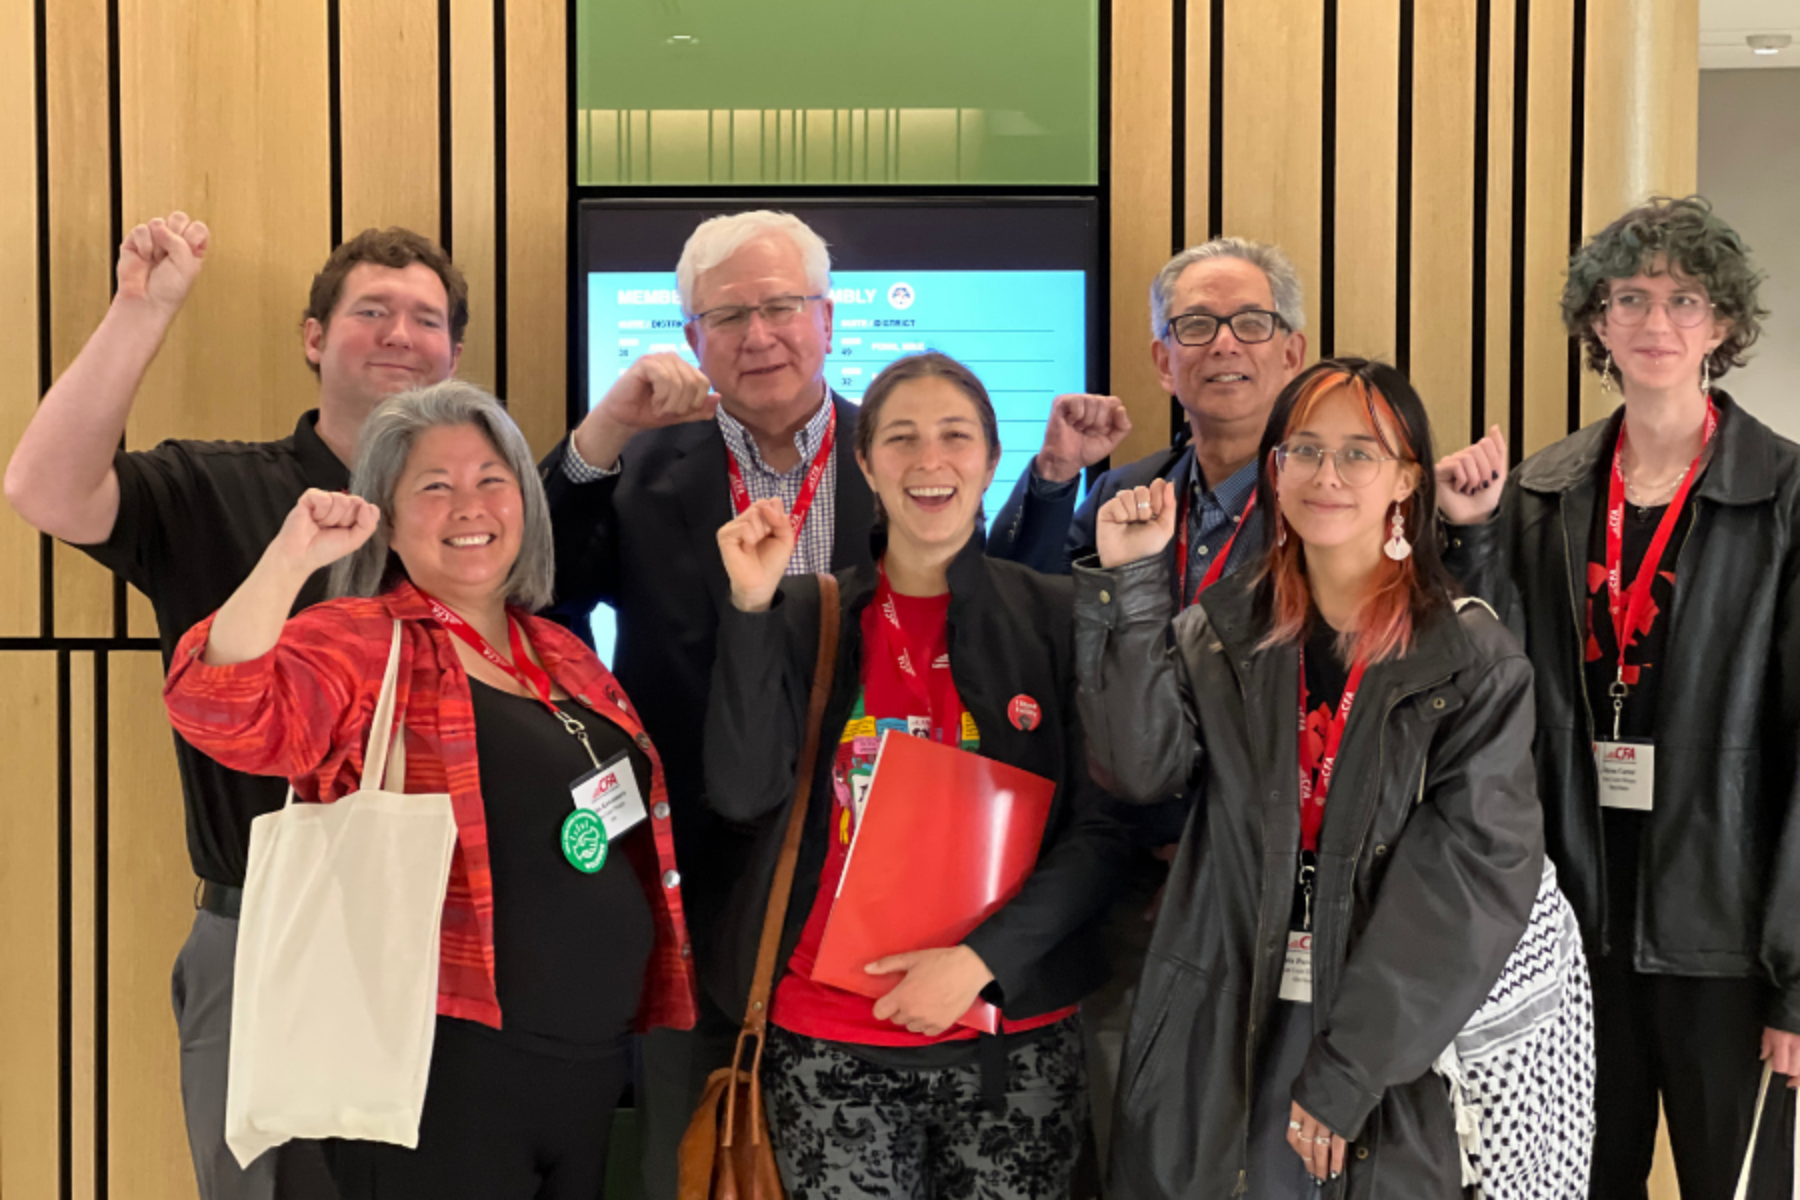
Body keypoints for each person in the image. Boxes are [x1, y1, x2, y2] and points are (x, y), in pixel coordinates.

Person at [3, 215, 466, 1199]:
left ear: (454, 354)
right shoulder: (216, 488)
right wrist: (145, 306)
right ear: (313, 338)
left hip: (450, 933)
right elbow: (43, 489)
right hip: (261, 932)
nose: (397, 333)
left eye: (424, 318)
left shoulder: (479, 516)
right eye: (369, 311)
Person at [162, 382, 698, 1199]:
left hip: (585, 1068)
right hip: (440, 1071)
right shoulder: (362, 640)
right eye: (433, 486)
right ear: (385, 509)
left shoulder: (558, 651)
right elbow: (222, 707)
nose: (469, 506)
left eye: (492, 478)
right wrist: (290, 558)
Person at [1077, 359, 1580, 1197]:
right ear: (1275, 471)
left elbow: (1468, 879)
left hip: (1382, 1031)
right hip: (1228, 1000)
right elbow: (1138, 769)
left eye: (1358, 453)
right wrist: (1130, 585)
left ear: (1406, 480)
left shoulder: (1468, 657)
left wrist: (1353, 1068)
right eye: (1303, 451)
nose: (1326, 476)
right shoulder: (1223, 629)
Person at [1438, 195, 1800, 1198]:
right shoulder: (1540, 496)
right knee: (1574, 1182)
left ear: (1721, 325)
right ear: (1595, 321)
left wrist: (1798, 977)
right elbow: (1484, 692)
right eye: (1629, 297)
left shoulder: (1787, 496)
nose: (1655, 323)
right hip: (1571, 914)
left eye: (1684, 300)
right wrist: (1466, 532)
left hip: (1725, 936)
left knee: (1741, 1184)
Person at [706, 352, 1128, 1198]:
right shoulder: (805, 614)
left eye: (954, 436)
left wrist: (980, 961)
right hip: (829, 1039)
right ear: (864, 464)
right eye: (898, 438)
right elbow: (744, 792)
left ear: (989, 458)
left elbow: (1102, 831)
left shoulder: (1058, 616)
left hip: (1012, 1035)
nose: (928, 461)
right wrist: (751, 609)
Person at [540, 209, 876, 1196]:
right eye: (727, 315)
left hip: (859, 871)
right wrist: (601, 433)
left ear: (826, 317)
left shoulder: (897, 454)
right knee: (686, 1155)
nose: (758, 334)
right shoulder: (645, 463)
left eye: (780, 306)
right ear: (693, 340)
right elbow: (542, 587)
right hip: (686, 865)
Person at [989, 235, 1308, 582]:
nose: (1224, 345)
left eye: (1250, 322)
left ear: (1291, 357)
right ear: (1165, 365)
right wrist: (1054, 470)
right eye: (1197, 325)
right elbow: (1016, 604)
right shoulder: (1121, 494)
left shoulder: (1325, 495)